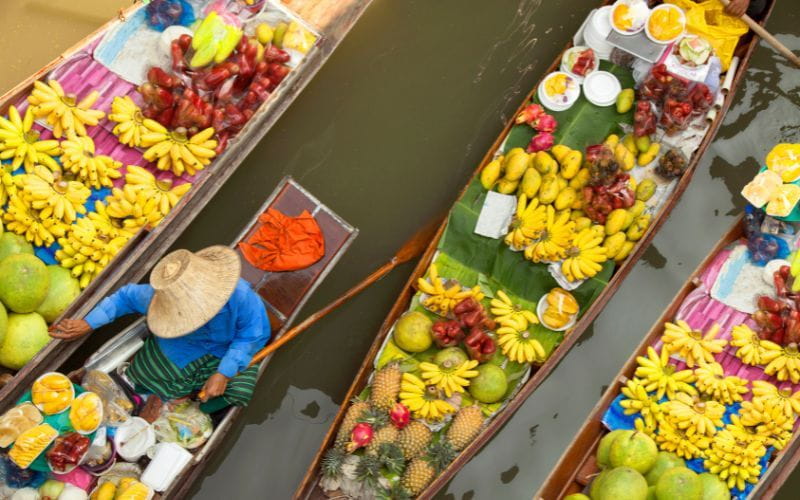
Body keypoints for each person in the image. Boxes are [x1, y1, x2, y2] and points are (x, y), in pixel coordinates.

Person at [50, 246, 271, 414]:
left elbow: (253, 335)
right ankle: (171, 397)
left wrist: (224, 372)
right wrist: (88, 323)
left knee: (240, 390)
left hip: (226, 350)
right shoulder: (159, 298)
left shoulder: (241, 298)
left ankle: (197, 409)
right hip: (181, 345)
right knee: (144, 375)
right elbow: (124, 298)